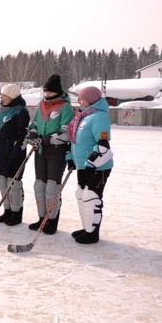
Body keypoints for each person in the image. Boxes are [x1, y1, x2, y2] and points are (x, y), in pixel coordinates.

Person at [26, 74, 74, 234]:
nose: (46, 95)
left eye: (49, 92)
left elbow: (65, 130)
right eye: (45, 92)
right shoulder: (41, 105)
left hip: (56, 151)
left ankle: (51, 221)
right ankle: (42, 219)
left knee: (52, 188)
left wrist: (48, 139)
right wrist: (33, 134)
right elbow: (34, 124)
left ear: (56, 92)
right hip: (40, 150)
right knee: (40, 186)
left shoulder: (65, 107)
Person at [68, 86, 113, 244]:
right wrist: (70, 158)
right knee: (81, 195)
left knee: (91, 197)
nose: (79, 101)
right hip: (82, 165)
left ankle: (92, 233)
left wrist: (90, 164)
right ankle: (87, 228)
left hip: (97, 167)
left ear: (91, 99)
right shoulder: (83, 116)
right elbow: (74, 141)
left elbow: (103, 145)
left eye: (82, 98)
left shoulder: (99, 117)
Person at [0, 84, 30, 225]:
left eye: (4, 96)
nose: (2, 98)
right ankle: (7, 210)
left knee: (13, 184)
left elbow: (22, 135)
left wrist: (16, 152)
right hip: (1, 152)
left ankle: (16, 213)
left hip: (14, 153)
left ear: (12, 96)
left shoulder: (21, 112)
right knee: (3, 182)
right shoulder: (2, 111)